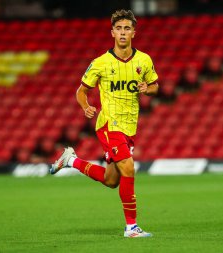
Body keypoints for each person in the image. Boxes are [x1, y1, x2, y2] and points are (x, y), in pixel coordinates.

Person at [50, 9, 159, 238]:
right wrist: (85, 106)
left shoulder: (144, 60)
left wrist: (146, 89)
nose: (122, 32)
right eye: (118, 28)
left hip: (130, 127)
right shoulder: (100, 63)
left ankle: (71, 160)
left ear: (133, 33)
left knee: (111, 180)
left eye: (127, 28)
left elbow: (155, 86)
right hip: (108, 124)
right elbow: (81, 91)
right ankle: (131, 227)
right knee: (128, 167)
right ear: (112, 33)